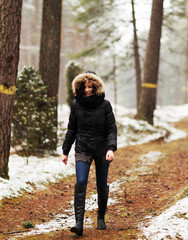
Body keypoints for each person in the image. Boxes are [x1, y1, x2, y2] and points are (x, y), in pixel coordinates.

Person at [61, 71, 117, 236]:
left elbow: (111, 129)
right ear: (79, 87)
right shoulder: (76, 104)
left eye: (90, 87)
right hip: (83, 148)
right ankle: (79, 223)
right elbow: (72, 129)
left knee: (101, 184)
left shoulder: (105, 105)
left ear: (96, 86)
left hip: (102, 150)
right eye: (84, 87)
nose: (87, 90)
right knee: (81, 181)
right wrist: (65, 151)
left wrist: (110, 148)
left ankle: (100, 217)